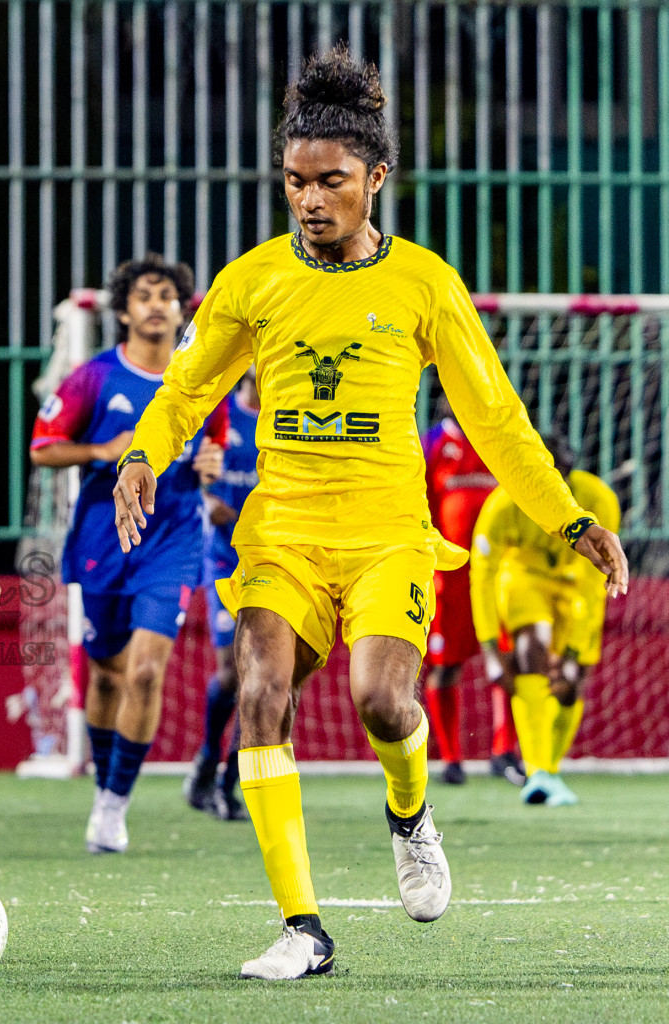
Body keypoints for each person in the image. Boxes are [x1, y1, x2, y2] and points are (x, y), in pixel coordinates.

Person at [111, 47, 628, 980]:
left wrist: (567, 520)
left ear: (376, 178)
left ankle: (409, 812)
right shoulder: (254, 280)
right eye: (295, 183)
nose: (310, 200)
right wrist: (145, 454)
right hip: (284, 534)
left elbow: (495, 418)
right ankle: (304, 929)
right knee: (262, 695)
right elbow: (187, 388)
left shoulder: (425, 284)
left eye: (332, 183)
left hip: (391, 533)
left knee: (385, 705)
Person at [30, 255, 222, 854]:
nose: (158, 305)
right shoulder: (92, 379)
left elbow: (215, 453)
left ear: (182, 307)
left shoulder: (201, 381)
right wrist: (100, 450)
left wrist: (213, 469)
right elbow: (42, 449)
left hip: (171, 542)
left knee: (145, 670)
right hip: (103, 539)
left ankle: (115, 806)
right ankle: (104, 790)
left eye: (168, 295)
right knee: (108, 677)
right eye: (145, 295)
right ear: (123, 311)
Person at [469, 435, 620, 807]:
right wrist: (490, 647)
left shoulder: (600, 500)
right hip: (524, 578)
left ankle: (549, 770)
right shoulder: (504, 503)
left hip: (575, 588)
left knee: (571, 684)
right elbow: (483, 574)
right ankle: (536, 771)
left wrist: (573, 651)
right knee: (531, 648)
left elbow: (593, 584)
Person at [183, 366, 260, 821]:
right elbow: (189, 482)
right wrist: (209, 504)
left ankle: (229, 782)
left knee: (265, 677)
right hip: (222, 563)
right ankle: (208, 761)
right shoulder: (220, 415)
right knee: (232, 674)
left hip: (271, 561)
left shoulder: (290, 418)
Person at [421, 391, 501, 785]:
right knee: (445, 666)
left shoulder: (496, 437)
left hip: (496, 575)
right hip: (448, 579)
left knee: (510, 660)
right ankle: (452, 759)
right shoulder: (433, 442)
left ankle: (505, 753)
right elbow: (416, 500)